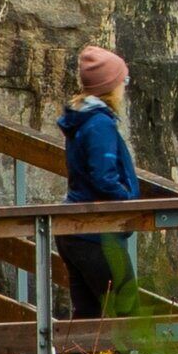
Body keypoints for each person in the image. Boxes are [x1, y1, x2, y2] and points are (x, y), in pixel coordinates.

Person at [55, 44, 140, 321]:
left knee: (88, 313)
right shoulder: (99, 124)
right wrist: (127, 199)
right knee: (127, 313)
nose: (124, 87)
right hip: (96, 234)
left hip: (76, 231)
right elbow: (103, 176)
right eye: (122, 81)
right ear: (110, 86)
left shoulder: (83, 118)